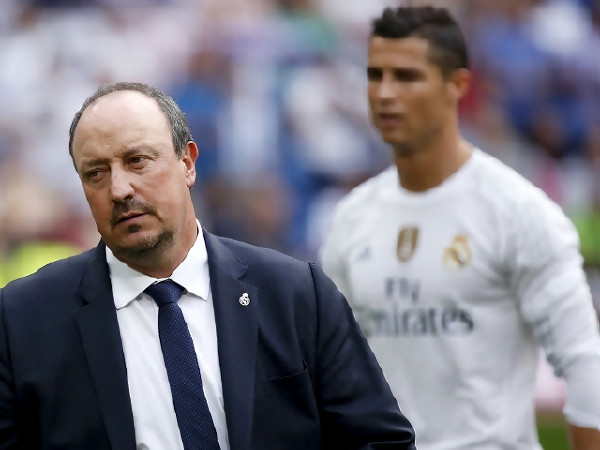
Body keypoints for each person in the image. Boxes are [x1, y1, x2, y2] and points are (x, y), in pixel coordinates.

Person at [0, 82, 416, 450]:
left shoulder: (296, 295)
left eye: (137, 160)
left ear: (188, 163)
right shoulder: (23, 322)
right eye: (96, 173)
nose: (119, 189)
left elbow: (379, 440)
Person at [320, 6, 600, 450]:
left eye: (407, 76)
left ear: (458, 85)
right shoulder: (351, 218)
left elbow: (585, 363)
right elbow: (332, 371)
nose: (386, 93)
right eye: (375, 75)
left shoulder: (519, 212)